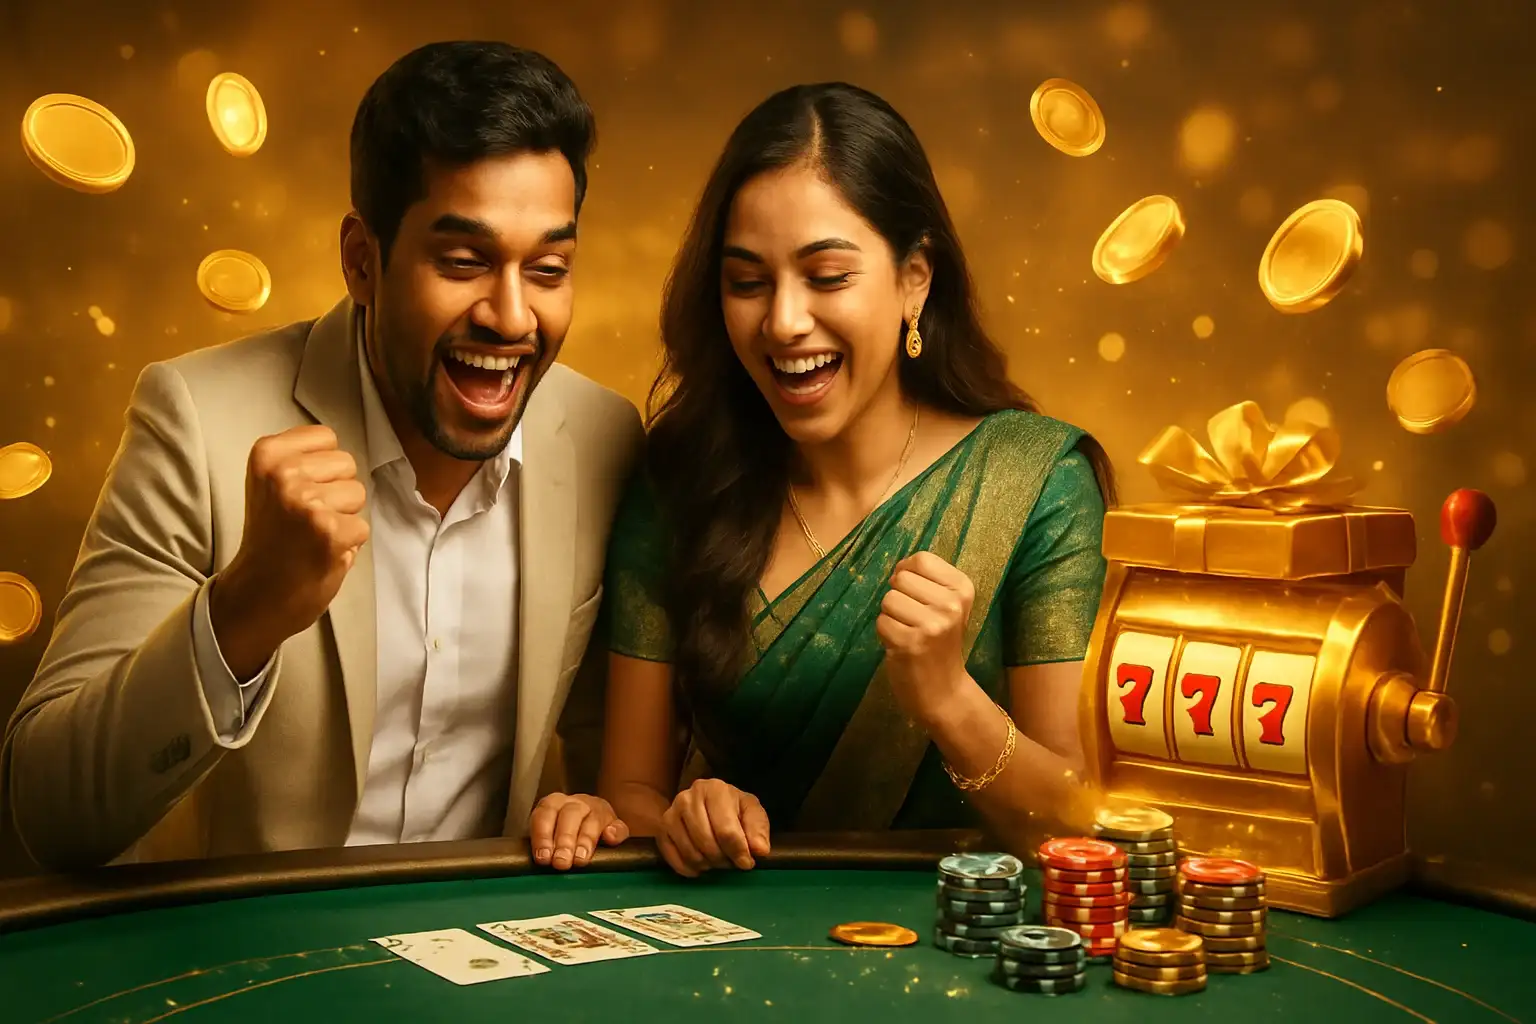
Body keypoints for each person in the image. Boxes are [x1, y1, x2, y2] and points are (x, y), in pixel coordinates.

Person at [1, 41, 643, 871]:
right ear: (361, 261)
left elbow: (615, 768)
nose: (512, 317)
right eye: (462, 261)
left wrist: (595, 809)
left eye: (549, 268)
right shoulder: (196, 423)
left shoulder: (602, 438)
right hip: (251, 974)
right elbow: (50, 812)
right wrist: (243, 611)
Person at [529, 82, 1115, 876]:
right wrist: (686, 819)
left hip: (963, 957)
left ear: (915, 278)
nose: (783, 321)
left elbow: (1081, 826)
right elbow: (630, 795)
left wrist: (949, 700)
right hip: (735, 958)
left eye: (827, 276)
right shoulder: (680, 483)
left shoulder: (1034, 484)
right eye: (747, 282)